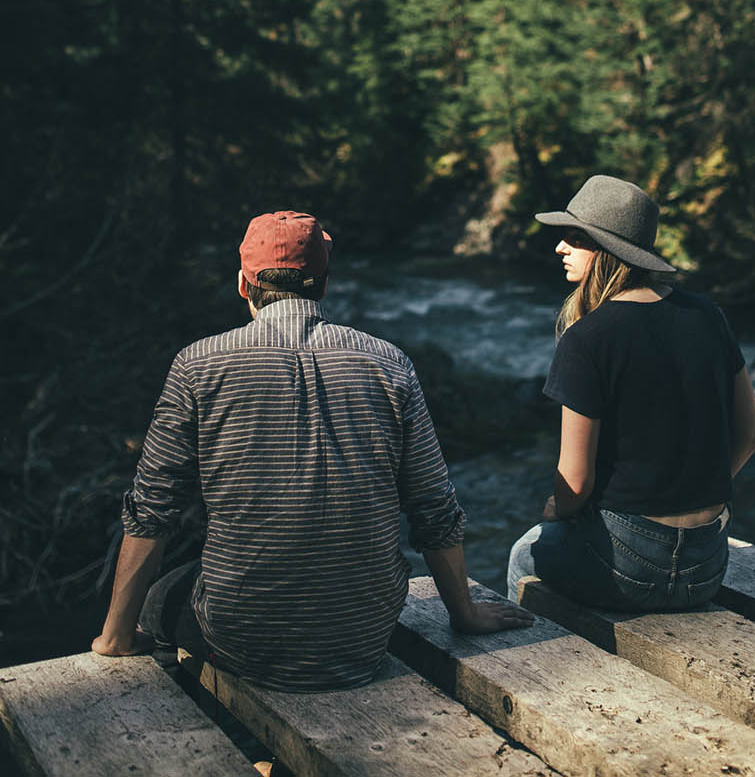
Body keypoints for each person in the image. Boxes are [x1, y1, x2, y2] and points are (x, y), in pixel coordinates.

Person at [92, 210, 531, 690]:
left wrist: (115, 637)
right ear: (323, 285)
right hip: (365, 634)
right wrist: (464, 614)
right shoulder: (390, 363)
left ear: (243, 284)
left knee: (162, 596)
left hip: (244, 638)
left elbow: (152, 510)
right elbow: (434, 507)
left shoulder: (196, 366)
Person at [507, 175, 755, 610]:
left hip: (629, 566)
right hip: (707, 565)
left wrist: (558, 510)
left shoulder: (587, 338)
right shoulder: (708, 315)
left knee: (522, 556)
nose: (559, 248)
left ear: (608, 250)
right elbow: (751, 435)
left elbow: (576, 481)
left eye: (574, 238)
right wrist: (697, 499)